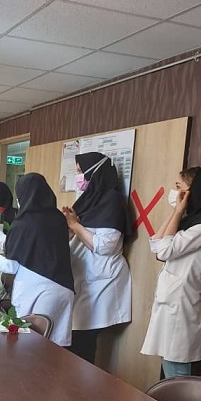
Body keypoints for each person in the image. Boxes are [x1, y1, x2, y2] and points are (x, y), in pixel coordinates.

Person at [141, 166, 201, 379]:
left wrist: (177, 211)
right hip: (173, 300)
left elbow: (165, 251)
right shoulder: (193, 221)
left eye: (179, 187)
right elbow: (156, 244)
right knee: (169, 364)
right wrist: (176, 212)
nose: (175, 193)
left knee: (177, 372)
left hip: (181, 304)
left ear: (196, 191)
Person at [0, 173, 74, 347]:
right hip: (64, 288)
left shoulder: (22, 224)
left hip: (38, 290)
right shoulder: (58, 218)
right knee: (57, 347)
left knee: (31, 345)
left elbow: (11, 266)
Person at [62, 152, 132, 364]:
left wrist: (75, 225)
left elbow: (105, 245)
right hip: (85, 280)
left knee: (83, 342)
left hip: (101, 282)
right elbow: (78, 234)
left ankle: (83, 384)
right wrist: (69, 228)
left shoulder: (111, 201)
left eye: (81, 171)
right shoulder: (88, 200)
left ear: (95, 172)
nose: (79, 177)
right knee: (76, 339)